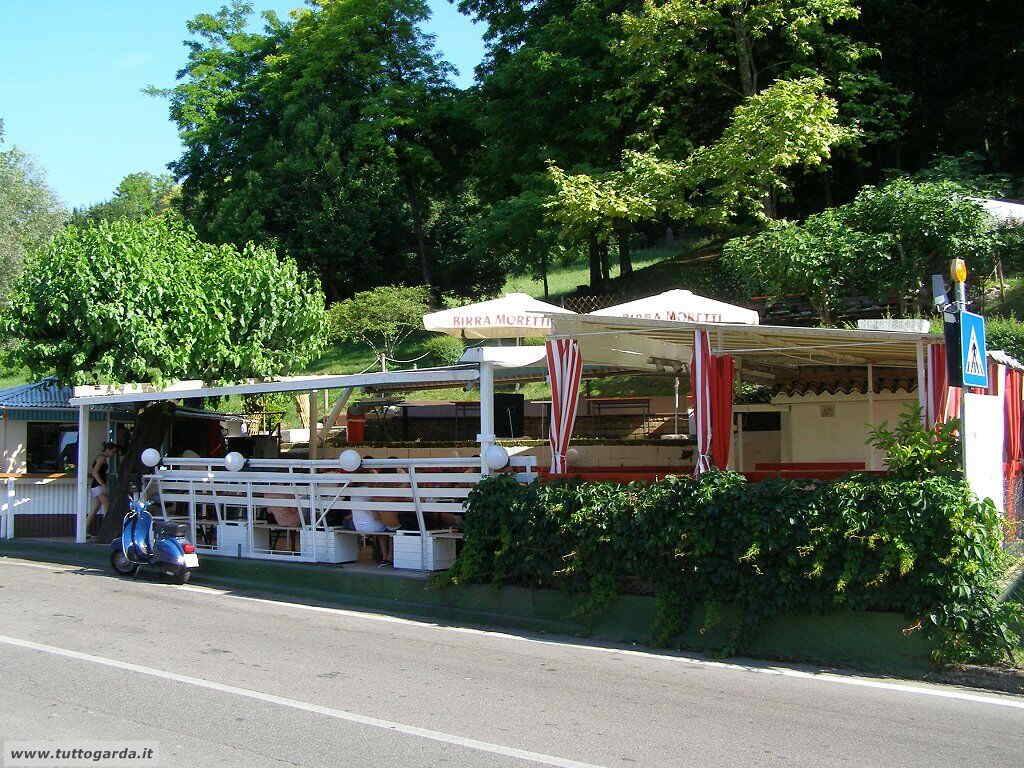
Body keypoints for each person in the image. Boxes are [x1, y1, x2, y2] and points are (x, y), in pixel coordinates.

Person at [86, 442, 118, 538]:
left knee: (95, 508)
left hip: (97, 485)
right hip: (98, 486)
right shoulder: (101, 458)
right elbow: (95, 472)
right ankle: (105, 531)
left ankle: (84, 529)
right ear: (107, 450)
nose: (113, 454)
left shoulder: (102, 458)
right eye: (113, 452)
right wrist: (102, 484)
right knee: (107, 507)